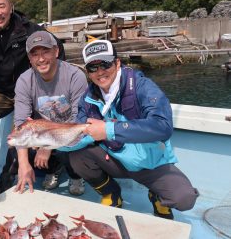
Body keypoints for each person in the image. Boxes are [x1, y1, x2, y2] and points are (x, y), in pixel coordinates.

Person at [60, 39, 199, 219]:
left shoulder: (143, 87)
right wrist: (51, 143)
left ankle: (157, 195)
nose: (100, 72)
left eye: (105, 64)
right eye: (93, 68)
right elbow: (79, 134)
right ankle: (111, 193)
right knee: (77, 156)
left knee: (184, 199)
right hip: (115, 159)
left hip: (150, 164)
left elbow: (163, 126)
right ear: (88, 72)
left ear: (117, 63)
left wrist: (109, 130)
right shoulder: (87, 98)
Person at [0, 0, 65, 189]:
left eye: (2, 6)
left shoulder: (29, 29)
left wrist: (49, 85)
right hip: (3, 92)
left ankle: (53, 166)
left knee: (44, 124)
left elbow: (57, 48)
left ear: (11, 7)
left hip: (32, 91)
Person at [5, 31, 88, 196]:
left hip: (70, 130)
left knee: (73, 146)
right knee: (16, 148)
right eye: (35, 54)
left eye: (46, 52)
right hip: (43, 132)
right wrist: (23, 164)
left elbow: (78, 117)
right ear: (29, 58)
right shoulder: (24, 80)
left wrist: (48, 147)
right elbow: (21, 119)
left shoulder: (75, 76)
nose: (41, 59)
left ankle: (75, 175)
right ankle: (52, 169)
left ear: (56, 51)